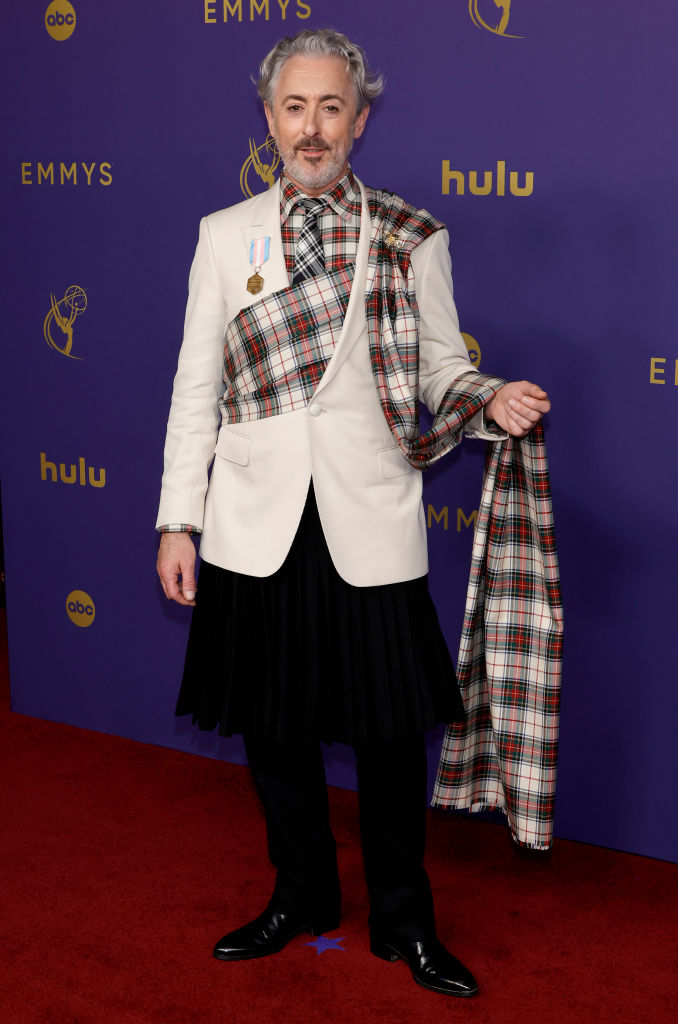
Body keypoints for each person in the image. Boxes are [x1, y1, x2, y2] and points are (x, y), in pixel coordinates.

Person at [156, 28, 550, 998]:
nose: (312, 126)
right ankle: (301, 895)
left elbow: (434, 369)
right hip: (253, 517)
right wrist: (179, 518)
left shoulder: (412, 235)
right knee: (272, 726)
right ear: (268, 118)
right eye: (295, 107)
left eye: (331, 107)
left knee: (383, 736)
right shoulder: (222, 233)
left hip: (367, 514)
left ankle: (403, 920)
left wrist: (483, 397)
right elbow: (194, 387)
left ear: (360, 120)